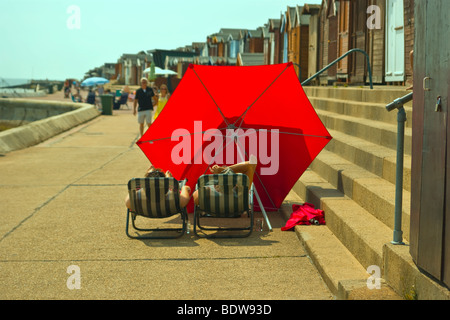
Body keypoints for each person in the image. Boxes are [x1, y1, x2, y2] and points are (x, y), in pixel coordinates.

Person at [193, 155, 257, 206]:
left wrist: (221, 171)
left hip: (218, 207)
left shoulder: (209, 190)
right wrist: (222, 170)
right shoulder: (239, 195)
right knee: (251, 166)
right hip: (235, 207)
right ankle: (225, 170)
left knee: (251, 165)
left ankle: (224, 170)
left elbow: (196, 200)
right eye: (223, 175)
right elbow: (249, 165)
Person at [125, 166, 191, 210]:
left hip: (145, 210)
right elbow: (184, 200)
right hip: (167, 210)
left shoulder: (139, 194)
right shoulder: (171, 193)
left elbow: (128, 203)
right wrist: (184, 188)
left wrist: (148, 176)